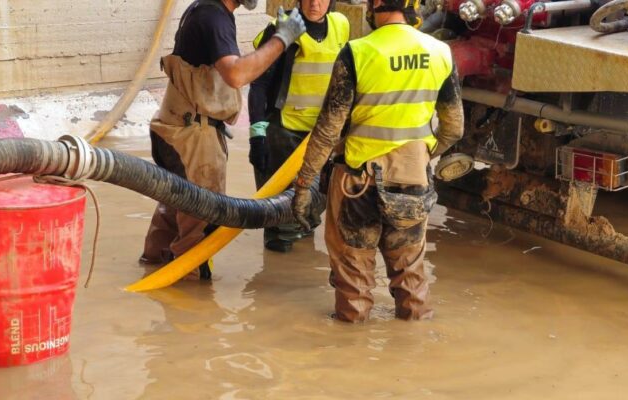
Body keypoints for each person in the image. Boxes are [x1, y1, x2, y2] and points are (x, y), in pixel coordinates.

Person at [290, 0, 465, 322]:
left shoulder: (357, 52)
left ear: (375, 7)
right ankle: (414, 345)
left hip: (358, 182)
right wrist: (420, 154)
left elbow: (328, 130)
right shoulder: (440, 52)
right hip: (413, 181)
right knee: (410, 271)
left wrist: (303, 186)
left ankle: (350, 350)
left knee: (354, 273)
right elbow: (454, 129)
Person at [139, 0, 308, 279]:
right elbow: (237, 74)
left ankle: (153, 274)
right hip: (193, 137)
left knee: (174, 207)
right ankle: (193, 309)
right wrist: (283, 38)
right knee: (202, 225)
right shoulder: (213, 17)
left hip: (177, 128)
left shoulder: (206, 10)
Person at [248, 0, 349, 253]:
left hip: (321, 136)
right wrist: (257, 136)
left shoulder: (341, 25)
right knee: (280, 224)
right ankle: (276, 276)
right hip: (283, 133)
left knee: (309, 214)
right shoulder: (282, 27)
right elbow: (258, 84)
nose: (315, 3)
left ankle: (300, 274)